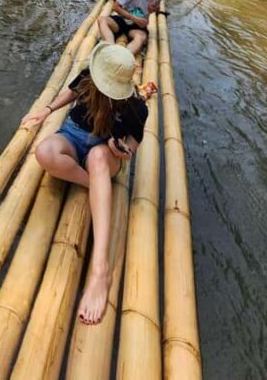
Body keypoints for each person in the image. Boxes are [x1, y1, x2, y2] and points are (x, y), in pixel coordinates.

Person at [21, 43, 157, 326]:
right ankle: (97, 188)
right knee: (45, 152)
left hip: (103, 154)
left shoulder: (135, 107)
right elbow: (70, 92)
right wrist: (45, 111)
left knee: (97, 158)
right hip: (72, 135)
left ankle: (100, 269)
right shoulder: (87, 77)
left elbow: (132, 145)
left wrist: (122, 150)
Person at [98, 0, 168, 56]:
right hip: (123, 20)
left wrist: (155, 9)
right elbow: (115, 7)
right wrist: (133, 18)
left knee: (141, 37)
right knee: (102, 20)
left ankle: (123, 56)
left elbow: (156, 10)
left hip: (137, 26)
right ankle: (110, 46)